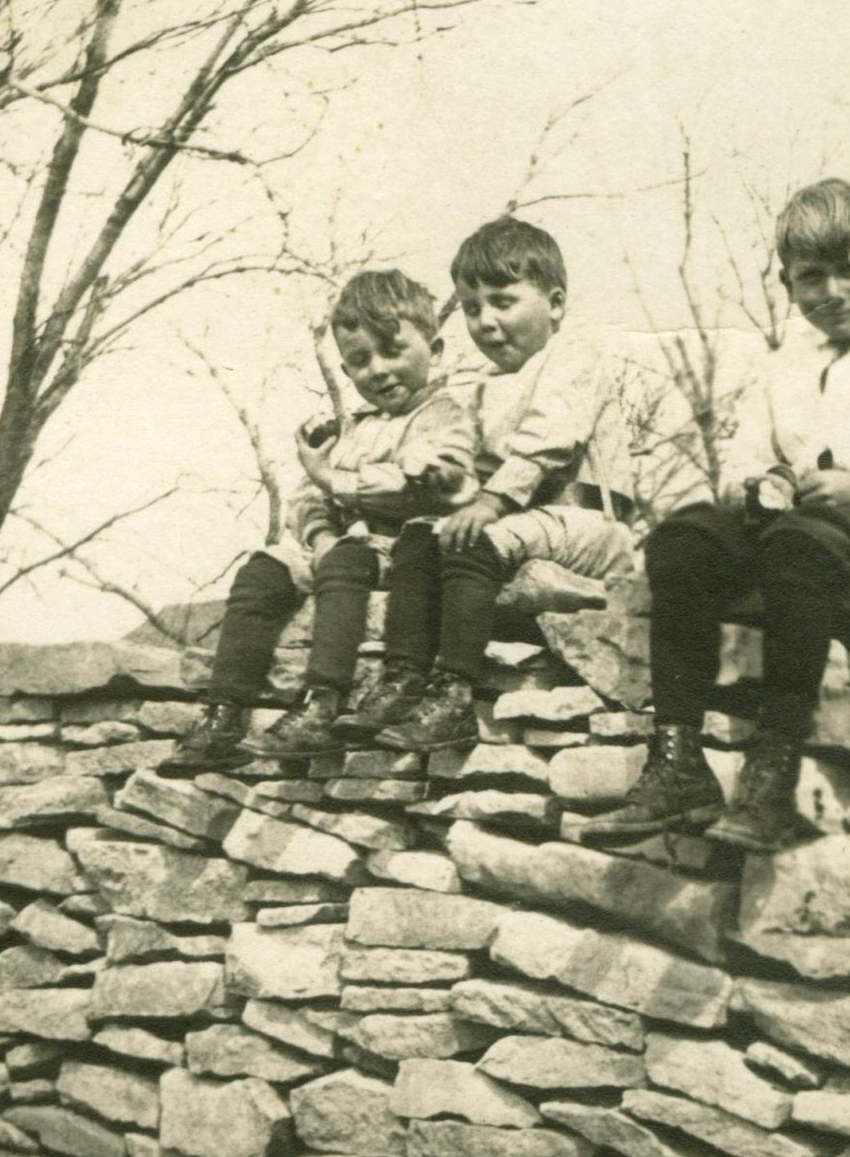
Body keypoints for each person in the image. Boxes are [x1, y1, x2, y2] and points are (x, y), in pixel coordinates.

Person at [584, 178, 850, 851]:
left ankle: (772, 775)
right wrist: (764, 479)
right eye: (810, 276)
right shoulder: (785, 363)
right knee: (684, 537)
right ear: (786, 281)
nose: (830, 291)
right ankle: (678, 759)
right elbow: (747, 453)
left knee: (799, 543)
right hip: (798, 532)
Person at [157, 269, 475, 776]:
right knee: (262, 568)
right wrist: (321, 533)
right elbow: (307, 495)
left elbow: (417, 481)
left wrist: (333, 479)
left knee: (348, 558)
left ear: (434, 350)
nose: (378, 370)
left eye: (392, 350)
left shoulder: (446, 416)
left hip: (406, 551)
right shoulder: (353, 429)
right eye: (359, 361)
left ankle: (322, 700)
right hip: (345, 550)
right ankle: (225, 714)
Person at [353, 216, 645, 753]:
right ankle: (403, 676)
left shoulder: (576, 353)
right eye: (470, 307)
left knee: (480, 539)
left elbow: (548, 438)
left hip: (587, 522)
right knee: (420, 537)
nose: (484, 321)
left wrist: (488, 502)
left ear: (554, 302)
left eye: (502, 302)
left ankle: (455, 692)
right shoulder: (482, 385)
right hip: (524, 518)